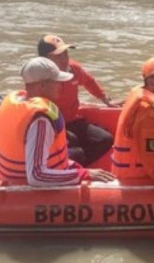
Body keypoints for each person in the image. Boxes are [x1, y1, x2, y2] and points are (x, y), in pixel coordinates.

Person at [0, 57, 115, 186]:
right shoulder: (40, 120)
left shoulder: (16, 101)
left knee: (78, 151)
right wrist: (84, 174)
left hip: (13, 178)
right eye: (56, 82)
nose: (61, 85)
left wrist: (77, 168)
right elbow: (36, 176)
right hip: (28, 191)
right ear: (41, 85)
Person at [38, 34, 119, 166]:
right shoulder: (40, 79)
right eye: (58, 56)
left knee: (105, 139)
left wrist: (106, 100)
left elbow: (90, 82)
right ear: (45, 60)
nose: (64, 59)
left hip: (73, 120)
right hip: (53, 126)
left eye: (65, 54)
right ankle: (71, 167)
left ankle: (78, 167)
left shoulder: (74, 69)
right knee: (75, 147)